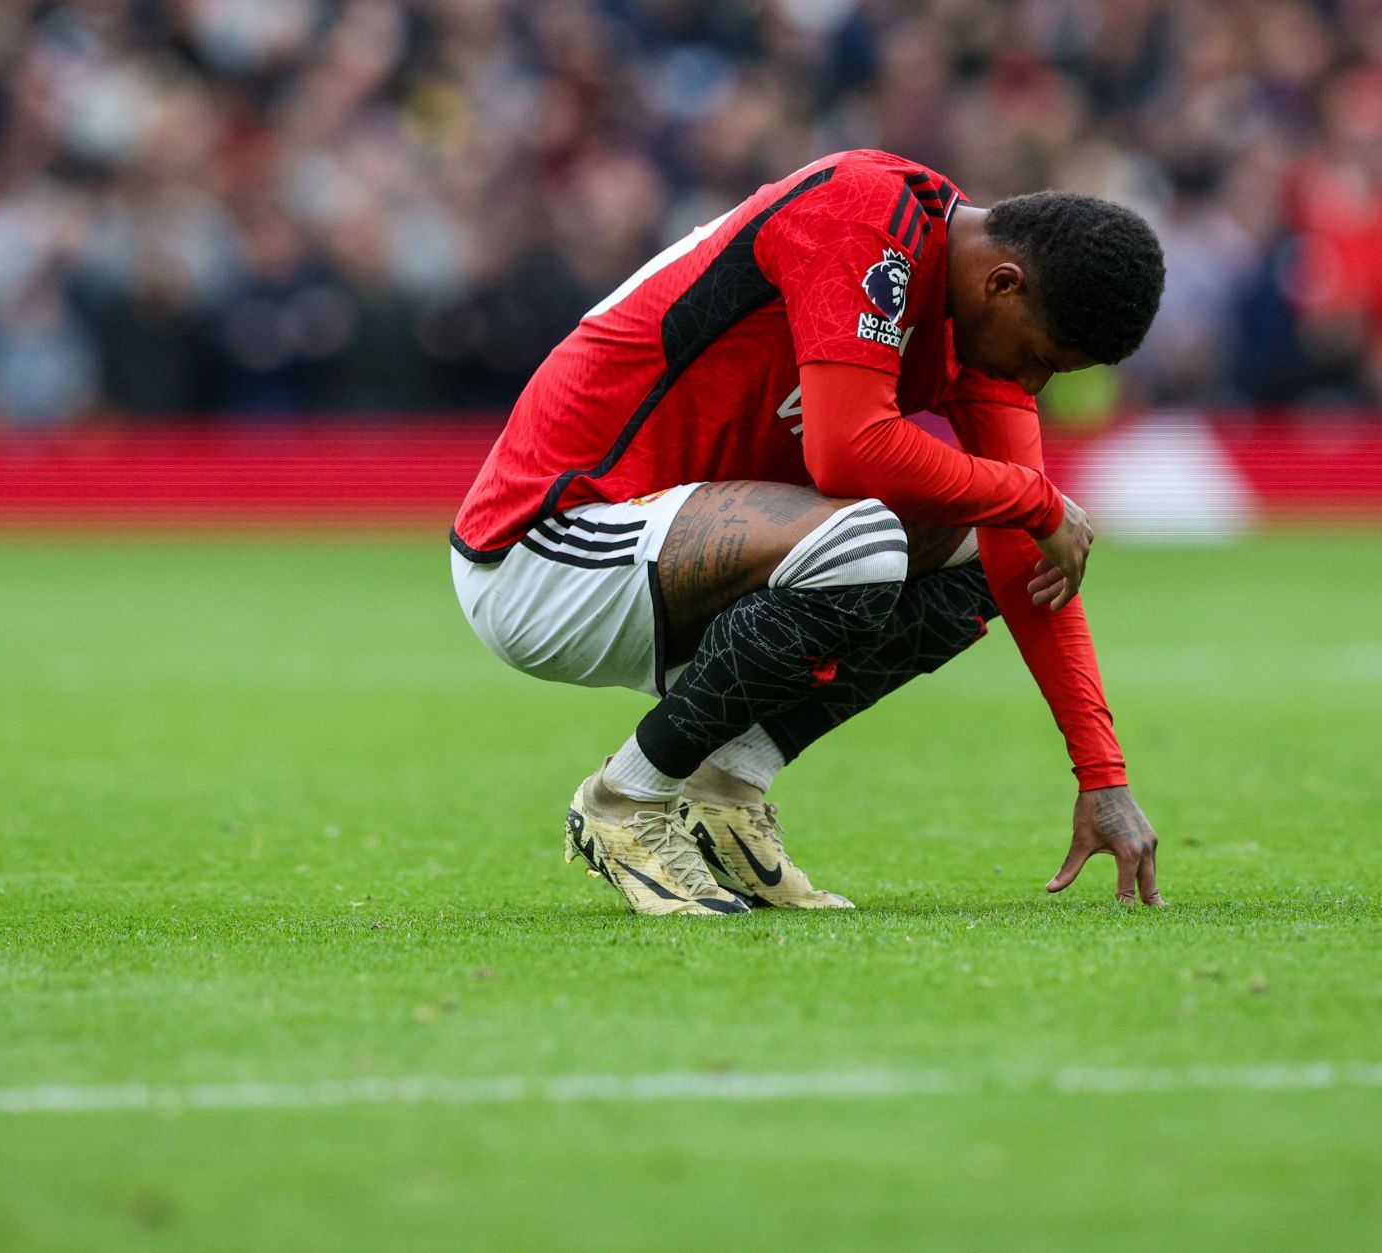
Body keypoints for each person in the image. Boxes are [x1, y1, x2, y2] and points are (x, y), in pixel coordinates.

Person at [450, 149, 1167, 916]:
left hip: (672, 550)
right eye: (1040, 359)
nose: (1033, 386)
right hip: (543, 546)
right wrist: (1034, 495)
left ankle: (725, 787)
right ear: (1004, 284)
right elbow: (848, 447)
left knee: (976, 548)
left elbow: (1026, 552)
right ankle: (626, 799)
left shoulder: (975, 314)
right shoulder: (865, 213)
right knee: (868, 544)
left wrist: (1103, 772)